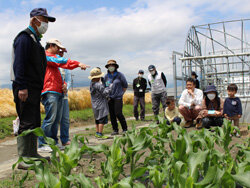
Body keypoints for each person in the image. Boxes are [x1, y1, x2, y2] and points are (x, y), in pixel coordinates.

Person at [10, 8, 56, 169]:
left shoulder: (35, 40)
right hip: (25, 87)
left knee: (34, 121)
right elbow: (19, 64)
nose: (46, 24)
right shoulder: (24, 38)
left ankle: (32, 153)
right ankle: (24, 159)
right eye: (44, 20)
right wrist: (22, 86)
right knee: (26, 122)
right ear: (34, 20)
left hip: (34, 88)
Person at [38, 39, 89, 152]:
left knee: (55, 120)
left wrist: (64, 85)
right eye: (57, 47)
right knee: (50, 119)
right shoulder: (46, 56)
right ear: (51, 46)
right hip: (50, 91)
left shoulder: (53, 60)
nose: (59, 50)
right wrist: (78, 64)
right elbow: (61, 61)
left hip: (58, 91)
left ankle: (53, 142)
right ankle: (42, 144)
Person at [104, 60, 128, 135]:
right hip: (109, 98)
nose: (111, 66)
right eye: (109, 65)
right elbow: (105, 86)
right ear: (107, 67)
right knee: (112, 114)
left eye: (112, 65)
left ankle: (125, 129)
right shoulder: (106, 76)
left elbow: (125, 85)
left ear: (115, 66)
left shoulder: (120, 75)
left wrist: (121, 94)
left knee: (118, 113)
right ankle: (115, 129)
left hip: (118, 97)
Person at [89, 68, 112, 139]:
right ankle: (100, 133)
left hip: (94, 104)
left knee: (97, 119)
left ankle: (97, 132)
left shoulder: (91, 84)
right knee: (102, 119)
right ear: (98, 77)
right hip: (101, 104)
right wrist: (109, 87)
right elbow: (105, 92)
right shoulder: (98, 85)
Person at [58, 49, 71, 147]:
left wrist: (66, 86)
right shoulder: (50, 63)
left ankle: (65, 139)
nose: (61, 54)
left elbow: (68, 79)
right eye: (59, 52)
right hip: (53, 94)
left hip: (64, 95)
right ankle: (51, 141)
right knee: (53, 119)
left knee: (65, 118)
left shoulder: (65, 65)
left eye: (62, 52)